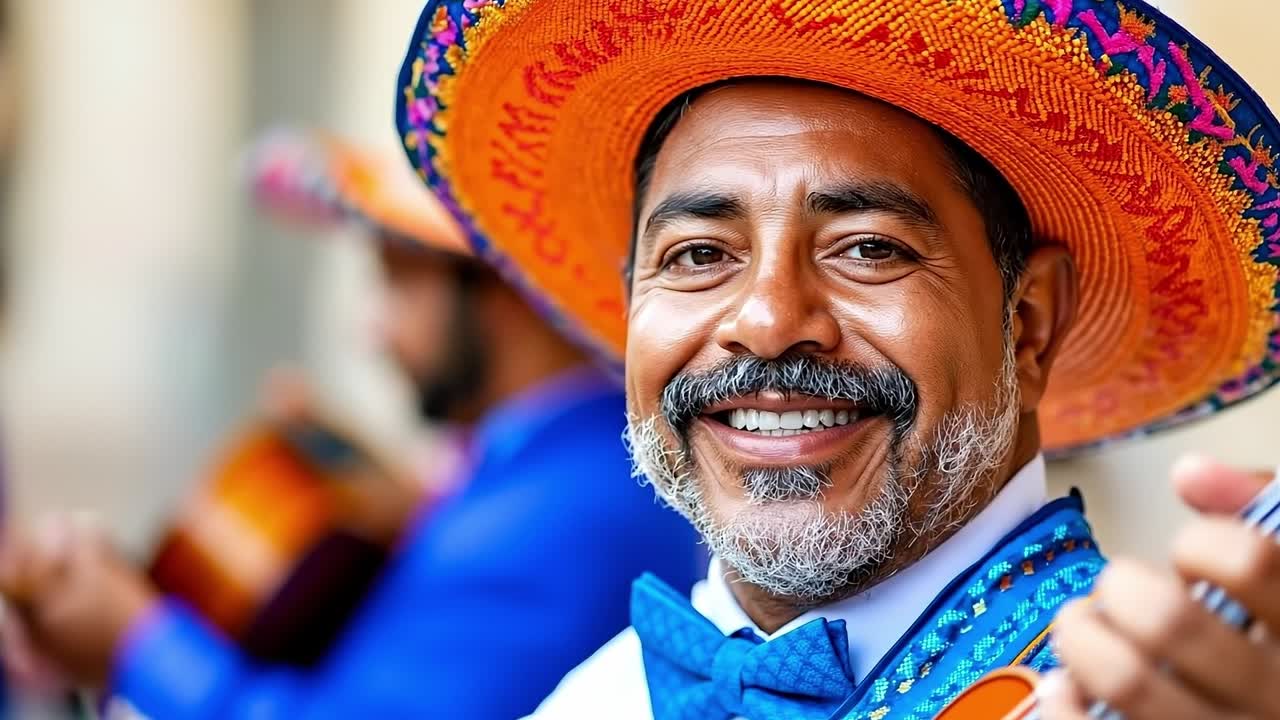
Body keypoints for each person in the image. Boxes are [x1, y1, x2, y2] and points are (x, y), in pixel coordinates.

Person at [381, 1, 1280, 718]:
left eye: (867, 248)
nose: (769, 322)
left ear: (1029, 325)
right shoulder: (596, 699)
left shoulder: (1160, 699)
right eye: (698, 255)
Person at [0, 130, 703, 719]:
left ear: (501, 287)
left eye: (397, 278)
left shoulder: (563, 511)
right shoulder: (548, 466)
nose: (373, 330)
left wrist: (136, 641)